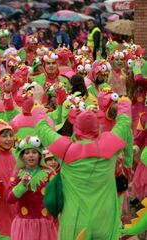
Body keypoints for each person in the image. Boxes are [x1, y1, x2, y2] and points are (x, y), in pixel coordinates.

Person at [30, 82, 131, 239]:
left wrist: (37, 103)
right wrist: (123, 97)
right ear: (98, 128)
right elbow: (124, 122)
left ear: (76, 130)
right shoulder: (110, 143)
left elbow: (43, 129)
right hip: (104, 220)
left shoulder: (65, 149)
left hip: (74, 222)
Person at [7, 136, 57, 240]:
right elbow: (9, 199)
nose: (30, 155)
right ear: (22, 156)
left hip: (44, 225)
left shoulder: (49, 173)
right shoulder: (17, 173)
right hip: (24, 226)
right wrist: (22, 185)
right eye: (27, 152)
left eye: (34, 152)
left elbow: (56, 197)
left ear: (39, 155)